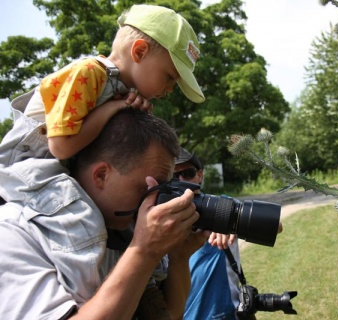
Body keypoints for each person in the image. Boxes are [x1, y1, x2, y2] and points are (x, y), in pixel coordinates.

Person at [0, 108, 210, 319]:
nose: (157, 200)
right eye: (150, 187)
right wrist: (144, 251)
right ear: (101, 175)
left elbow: (168, 315)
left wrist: (179, 257)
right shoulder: (14, 233)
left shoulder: (119, 231)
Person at [0, 4, 204, 203]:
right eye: (170, 77)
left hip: (55, 173)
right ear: (140, 52)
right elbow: (60, 147)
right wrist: (113, 108)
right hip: (21, 173)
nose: (170, 89)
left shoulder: (122, 90)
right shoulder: (88, 73)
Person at [173, 148, 244, 319]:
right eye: (173, 176)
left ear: (199, 175)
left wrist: (229, 223)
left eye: (187, 173)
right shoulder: (163, 218)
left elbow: (275, 226)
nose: (181, 180)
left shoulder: (224, 206)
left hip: (227, 314)